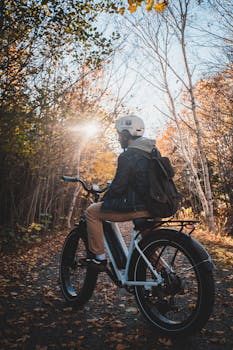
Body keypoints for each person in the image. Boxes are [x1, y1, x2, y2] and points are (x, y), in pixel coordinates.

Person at [85, 115, 155, 271]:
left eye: (119, 135)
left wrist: (104, 199)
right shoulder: (152, 152)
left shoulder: (127, 156)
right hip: (155, 207)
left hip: (138, 208)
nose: (118, 139)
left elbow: (118, 187)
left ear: (125, 134)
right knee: (149, 246)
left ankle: (99, 259)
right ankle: (163, 275)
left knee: (92, 212)